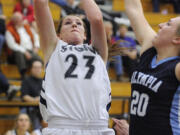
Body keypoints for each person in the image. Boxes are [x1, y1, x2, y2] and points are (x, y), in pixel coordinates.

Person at [34, 0, 114, 135]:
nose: (74, 24)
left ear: (85, 35)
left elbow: (96, 17)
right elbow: (40, 3)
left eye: (79, 23)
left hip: (98, 126)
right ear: (58, 35)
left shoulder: (97, 50)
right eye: (67, 23)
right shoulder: (53, 47)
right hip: (61, 126)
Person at [113, 0, 180, 134]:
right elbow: (134, 10)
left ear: (177, 39)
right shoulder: (150, 49)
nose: (160, 25)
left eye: (168, 24)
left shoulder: (177, 67)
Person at [5, 12, 41, 79]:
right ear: (17, 21)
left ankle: (36, 76)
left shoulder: (26, 26)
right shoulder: (9, 31)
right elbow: (12, 45)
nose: (24, 20)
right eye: (22, 19)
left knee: (38, 60)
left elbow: (36, 36)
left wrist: (36, 46)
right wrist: (24, 52)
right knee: (19, 54)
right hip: (16, 54)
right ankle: (23, 74)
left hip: (30, 51)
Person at [20, 59, 43, 130]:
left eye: (39, 67)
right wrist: (36, 100)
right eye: (35, 67)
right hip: (28, 107)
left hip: (41, 108)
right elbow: (24, 96)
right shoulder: (26, 80)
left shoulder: (43, 81)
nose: (37, 69)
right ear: (31, 69)